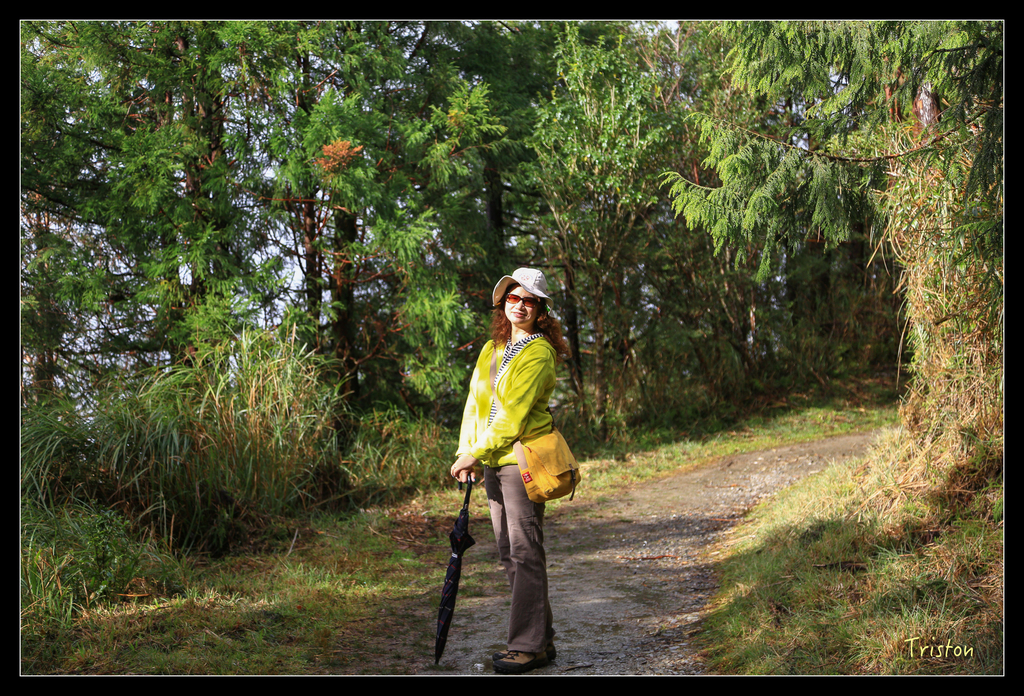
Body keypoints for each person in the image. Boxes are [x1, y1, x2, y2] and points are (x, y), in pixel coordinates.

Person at [450, 267, 571, 675]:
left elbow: (512, 418)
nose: (520, 306)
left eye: (529, 301)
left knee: (524, 551)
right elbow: (475, 406)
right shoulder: (491, 349)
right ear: (503, 303)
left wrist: (478, 452)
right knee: (509, 553)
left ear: (540, 311)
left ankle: (527, 645)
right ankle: (543, 638)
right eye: (513, 299)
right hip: (490, 462)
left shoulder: (539, 353)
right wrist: (467, 451)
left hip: (521, 462)